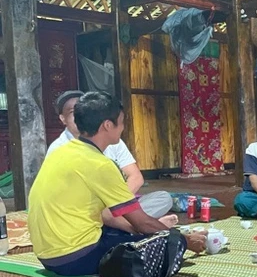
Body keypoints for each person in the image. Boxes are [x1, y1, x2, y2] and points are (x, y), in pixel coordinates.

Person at [28, 92, 206, 276]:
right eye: (121, 122)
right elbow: (142, 222)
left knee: (136, 232)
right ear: (107, 125)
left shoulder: (60, 152)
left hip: (47, 256)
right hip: (75, 257)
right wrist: (186, 241)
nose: (122, 128)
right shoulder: (100, 164)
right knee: (165, 244)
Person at [47, 90, 174, 221]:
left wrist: (116, 204)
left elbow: (136, 177)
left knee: (163, 198)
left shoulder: (109, 137)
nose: (80, 116)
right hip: (84, 212)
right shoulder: (60, 149)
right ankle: (127, 225)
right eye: (74, 113)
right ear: (63, 118)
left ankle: (122, 224)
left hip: (113, 205)